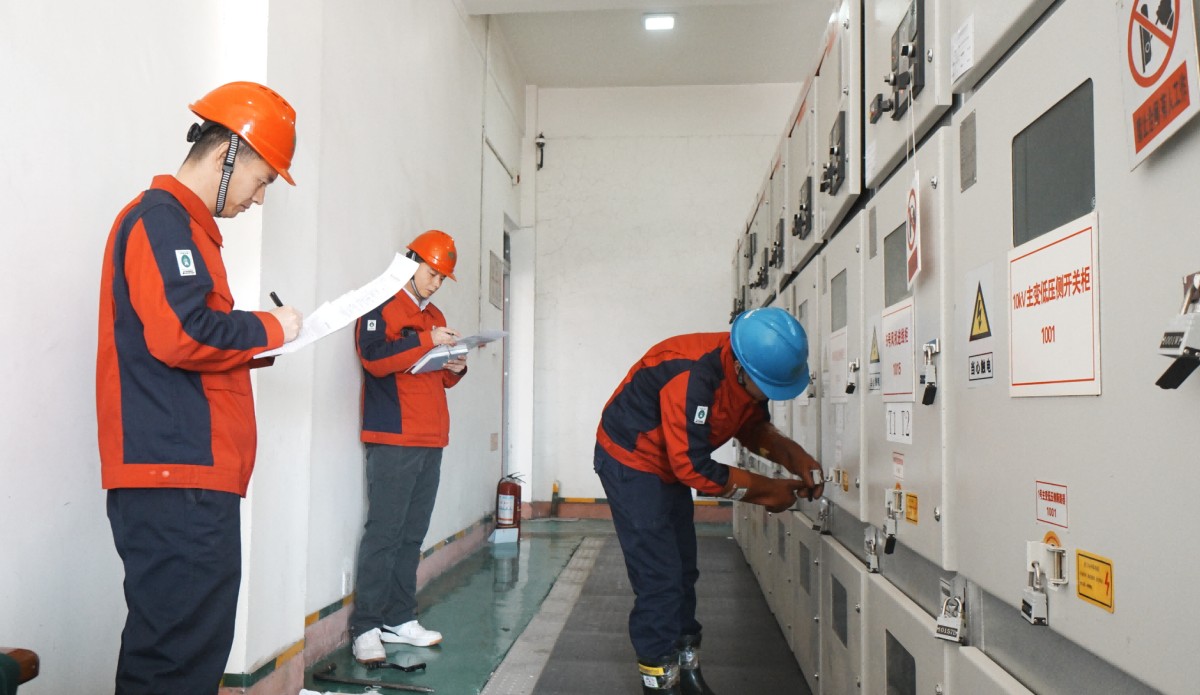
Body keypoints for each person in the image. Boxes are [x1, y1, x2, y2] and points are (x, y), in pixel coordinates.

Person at [96, 81, 303, 694]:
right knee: (175, 658)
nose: (258, 199)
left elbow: (182, 335)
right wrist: (271, 326)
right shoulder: (161, 221)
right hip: (175, 474)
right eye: (261, 180)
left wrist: (256, 346)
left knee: (186, 650)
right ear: (226, 153)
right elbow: (183, 333)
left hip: (187, 474)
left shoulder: (180, 228)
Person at [594, 307, 825, 695]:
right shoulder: (691, 376)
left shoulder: (747, 368)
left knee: (683, 570)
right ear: (740, 368)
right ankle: (659, 680)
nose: (769, 395)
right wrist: (768, 491)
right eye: (766, 386)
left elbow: (750, 425)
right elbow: (694, 469)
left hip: (671, 464)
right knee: (659, 578)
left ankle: (687, 668)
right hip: (632, 461)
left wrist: (792, 455)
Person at [350, 230, 468, 663]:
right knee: (385, 532)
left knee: (411, 534)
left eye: (442, 278)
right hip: (394, 437)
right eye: (432, 273)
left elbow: (436, 376)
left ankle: (399, 618)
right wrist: (428, 341)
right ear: (411, 262)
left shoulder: (434, 314)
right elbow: (375, 359)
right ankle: (366, 626)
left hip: (431, 436)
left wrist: (456, 365)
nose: (436, 284)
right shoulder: (380, 304)